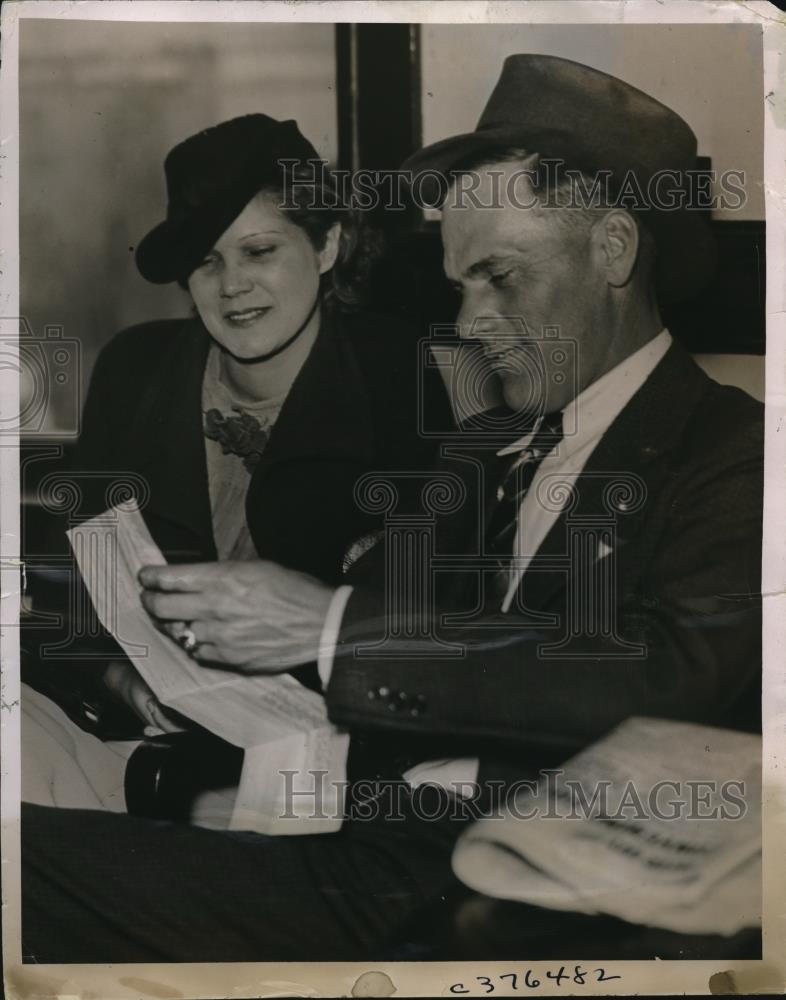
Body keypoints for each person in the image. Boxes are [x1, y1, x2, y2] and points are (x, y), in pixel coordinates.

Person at [21, 56, 762, 962]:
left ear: (613, 247)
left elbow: (666, 676)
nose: (470, 320)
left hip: (520, 877)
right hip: (364, 824)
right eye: (459, 286)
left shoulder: (736, 451)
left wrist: (327, 624)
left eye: (500, 276)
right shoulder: (482, 450)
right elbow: (380, 650)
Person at [21, 112, 453, 819]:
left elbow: (419, 623)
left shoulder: (401, 375)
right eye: (207, 261)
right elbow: (73, 595)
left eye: (258, 251)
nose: (232, 287)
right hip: (134, 729)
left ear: (326, 246)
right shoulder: (136, 371)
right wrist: (120, 680)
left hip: (331, 752)